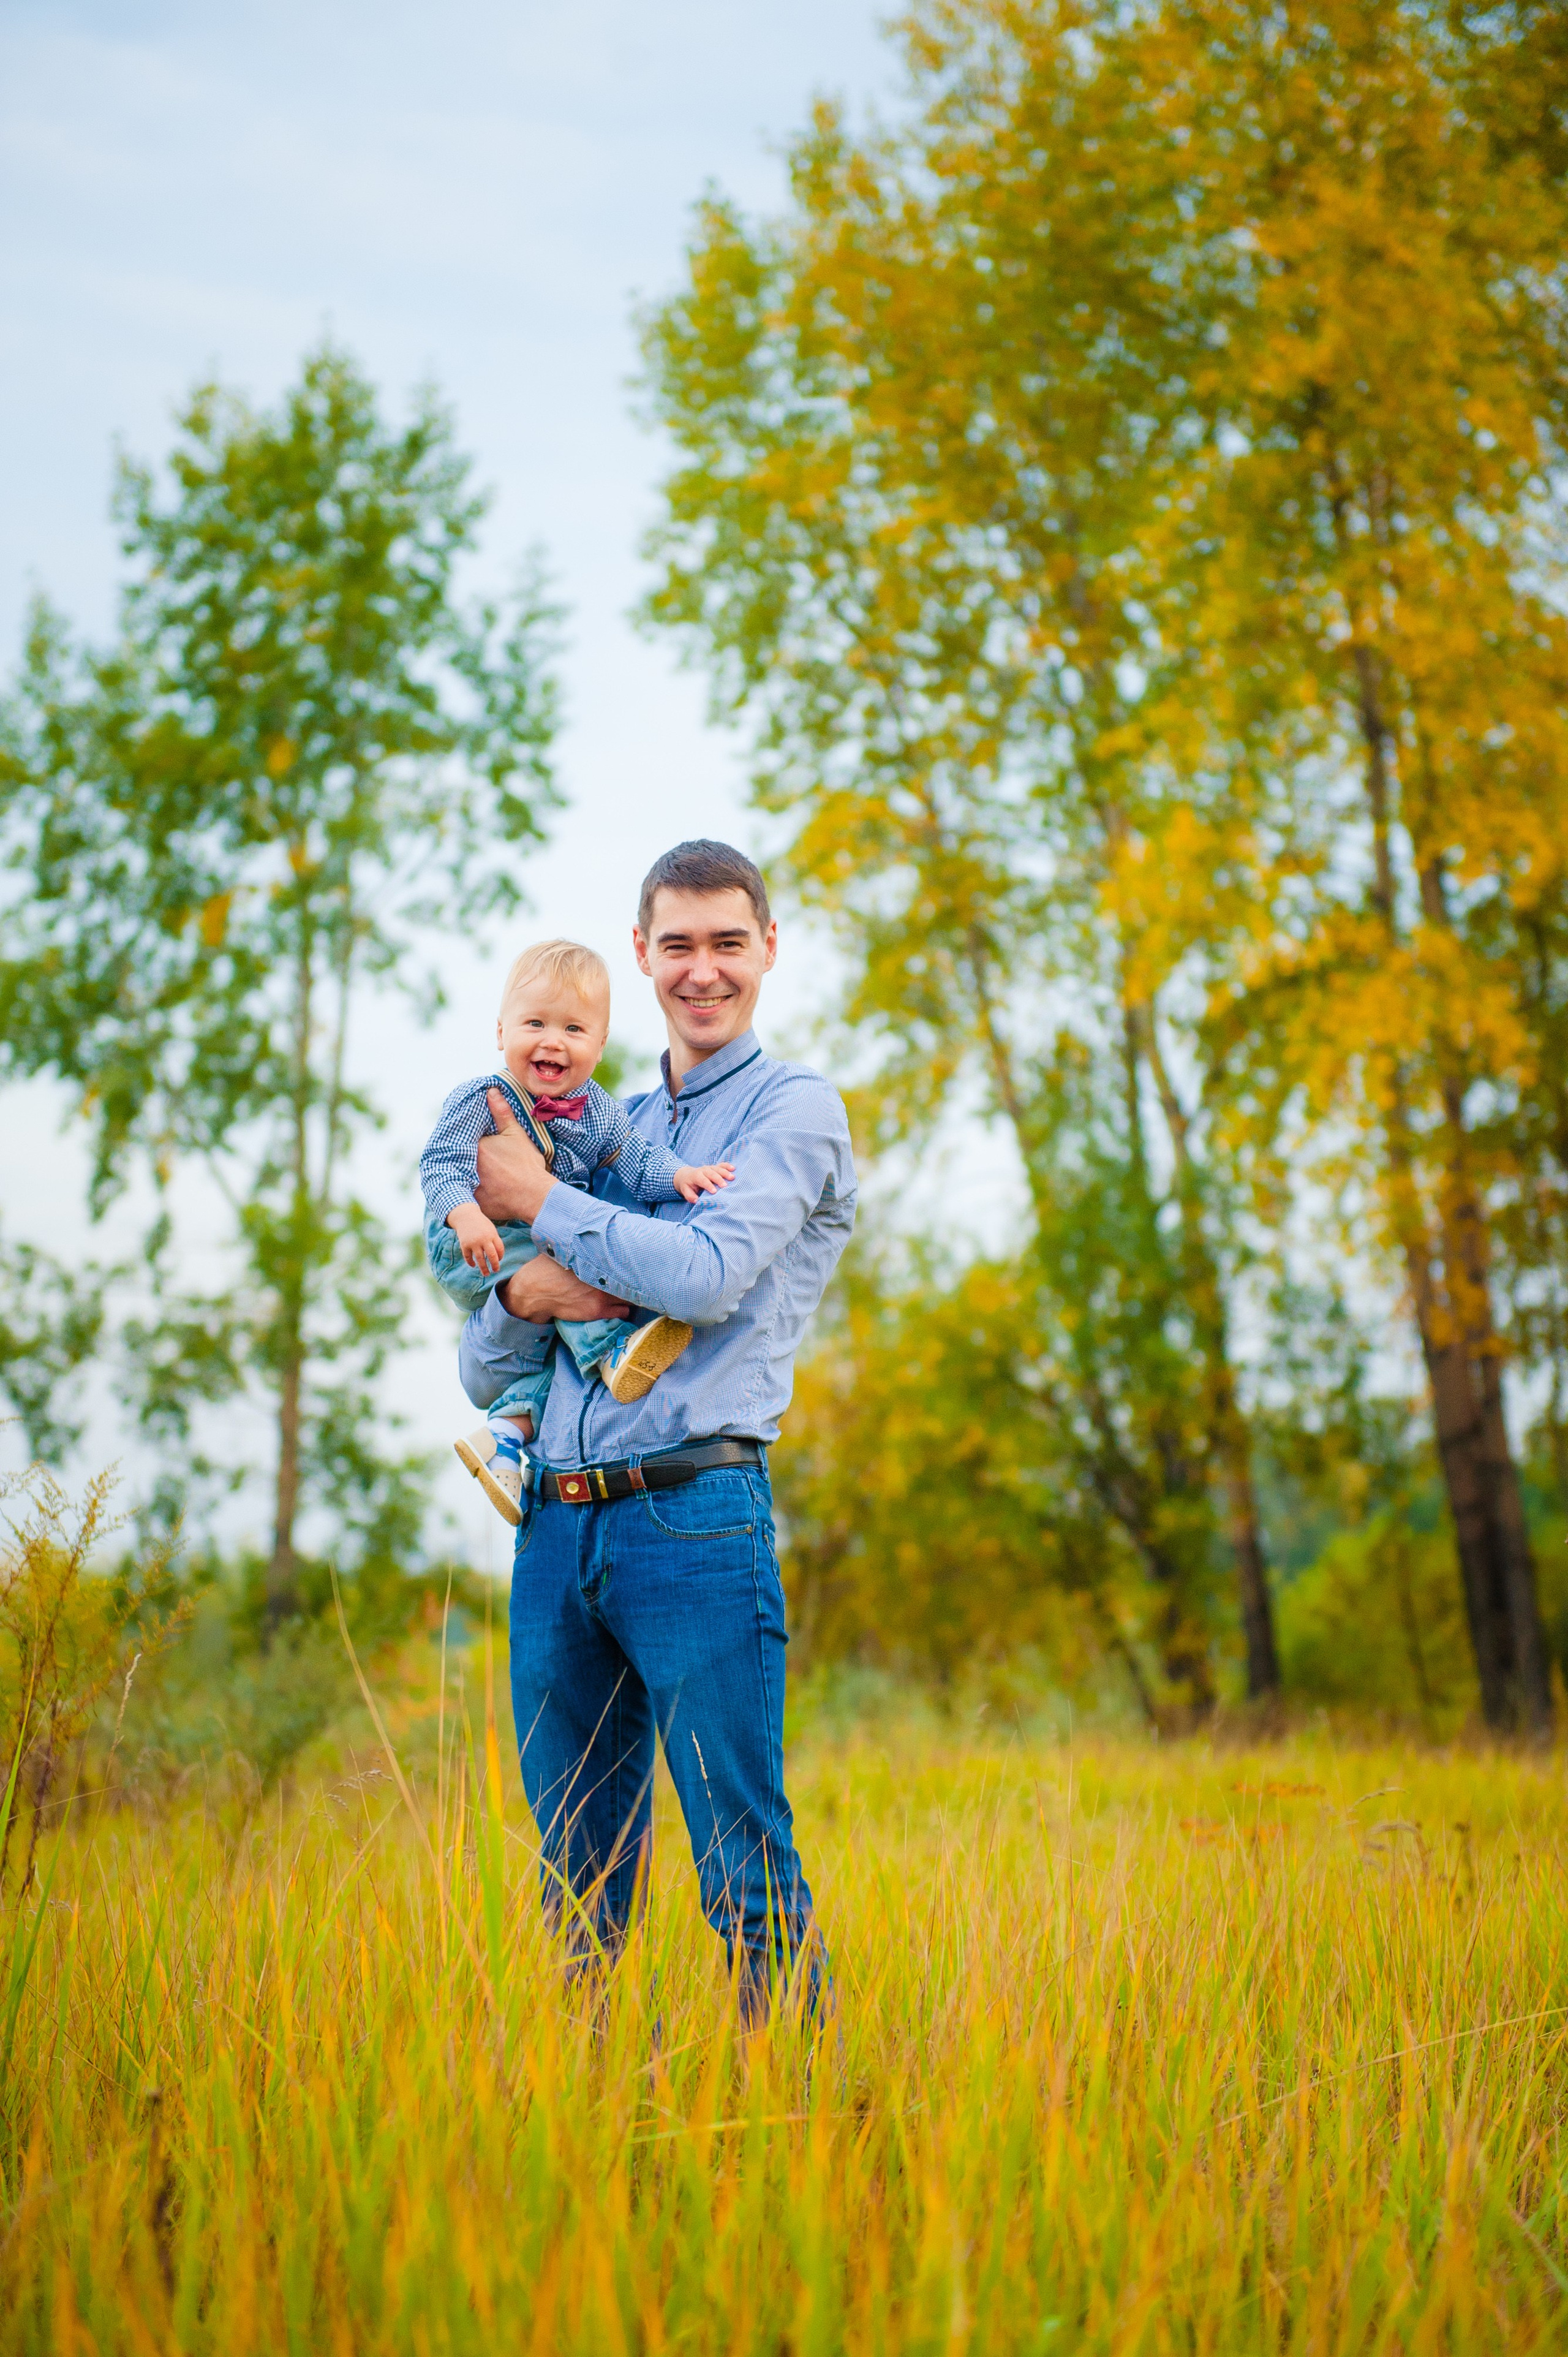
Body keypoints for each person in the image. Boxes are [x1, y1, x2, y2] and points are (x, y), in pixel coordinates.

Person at [457, 839, 856, 2015]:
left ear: (768, 949)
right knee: (575, 1879)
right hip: (556, 1527)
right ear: (642, 956)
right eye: (677, 944)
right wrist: (525, 1280)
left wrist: (543, 1209)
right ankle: (586, 2146)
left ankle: (805, 2139)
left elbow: (706, 1275)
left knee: (742, 1864)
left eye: (728, 942)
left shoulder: (796, 1110)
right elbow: (488, 1362)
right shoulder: (602, 1118)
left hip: (693, 1518)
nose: (703, 969)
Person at [420, 937, 733, 1526]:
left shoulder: (597, 1111)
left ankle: (505, 1439)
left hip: (524, 1246)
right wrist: (465, 1215)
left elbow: (637, 1160)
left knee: (551, 1335)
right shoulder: (482, 1099)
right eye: (534, 1022)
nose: (552, 1041)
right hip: (469, 1239)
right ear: (500, 1031)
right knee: (573, 1260)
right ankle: (612, 1351)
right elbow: (441, 1164)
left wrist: (684, 1174)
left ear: (599, 1044)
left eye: (573, 1029)